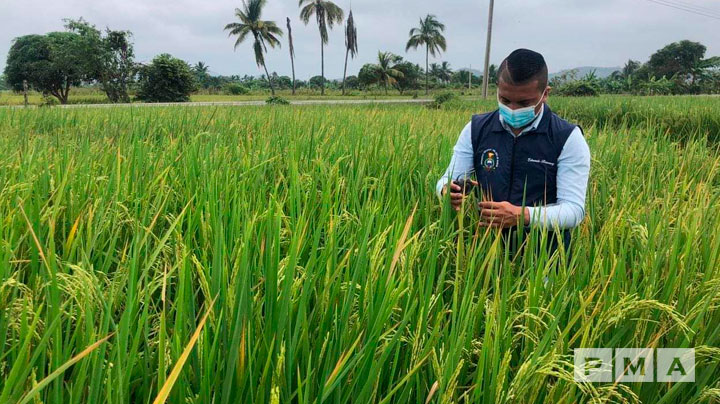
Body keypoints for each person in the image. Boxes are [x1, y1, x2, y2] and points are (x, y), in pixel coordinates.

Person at [436, 48, 591, 253]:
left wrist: (523, 215)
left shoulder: (567, 138)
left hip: (545, 257)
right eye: (505, 100)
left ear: (545, 94)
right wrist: (447, 190)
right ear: (498, 89)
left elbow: (574, 210)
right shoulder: (476, 129)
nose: (513, 109)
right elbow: (448, 178)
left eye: (524, 103)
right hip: (487, 252)